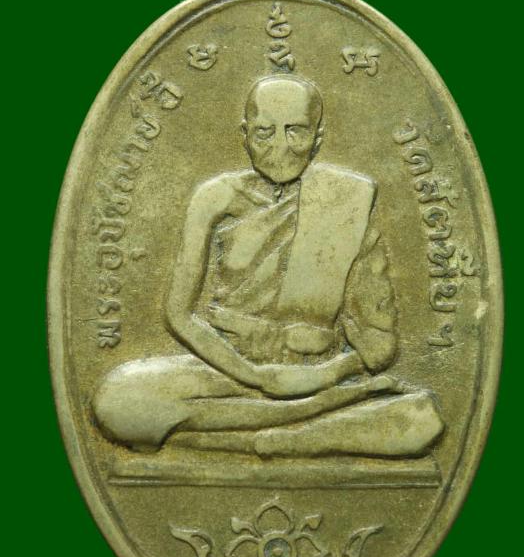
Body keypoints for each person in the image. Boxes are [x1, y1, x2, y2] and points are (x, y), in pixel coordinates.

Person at [93, 75, 443, 457]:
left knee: (422, 420)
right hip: (227, 371)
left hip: (318, 374)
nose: (280, 147)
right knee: (118, 399)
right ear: (244, 135)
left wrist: (330, 371)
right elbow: (178, 315)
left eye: (295, 132)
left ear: (318, 138)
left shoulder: (347, 201)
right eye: (264, 133)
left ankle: (271, 437)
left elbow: (379, 344)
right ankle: (306, 429)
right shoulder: (214, 198)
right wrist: (258, 377)